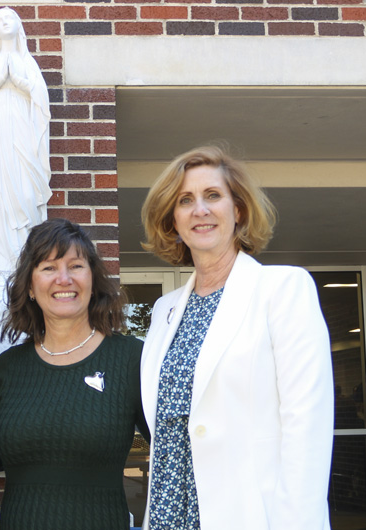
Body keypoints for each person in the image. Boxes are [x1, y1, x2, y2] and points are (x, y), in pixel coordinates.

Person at [139, 145, 333, 530]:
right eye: (185, 200)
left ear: (238, 210)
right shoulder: (164, 311)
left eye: (213, 195)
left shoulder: (283, 289)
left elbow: (306, 426)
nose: (200, 210)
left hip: (249, 516)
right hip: (166, 513)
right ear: (173, 219)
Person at [0, 218, 147, 530]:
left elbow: (174, 450)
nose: (64, 279)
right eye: (49, 268)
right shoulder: (8, 367)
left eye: (75, 266)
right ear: (30, 287)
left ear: (93, 280)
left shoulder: (131, 358)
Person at [0, 7, 51, 280]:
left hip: (23, 133)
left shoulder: (27, 62)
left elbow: (41, 99)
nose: (5, 21)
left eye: (10, 17)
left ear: (19, 26)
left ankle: (24, 259)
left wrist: (20, 82)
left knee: (25, 192)